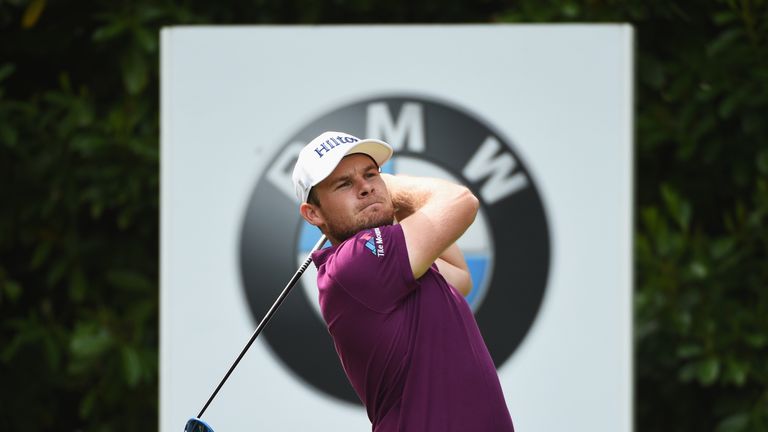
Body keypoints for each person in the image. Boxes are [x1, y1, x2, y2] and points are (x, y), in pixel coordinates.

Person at [292, 131, 514, 431]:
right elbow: (461, 201)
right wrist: (391, 187)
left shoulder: (392, 266)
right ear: (313, 213)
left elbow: (459, 278)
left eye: (371, 175)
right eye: (344, 184)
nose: (365, 188)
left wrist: (387, 199)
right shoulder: (357, 262)